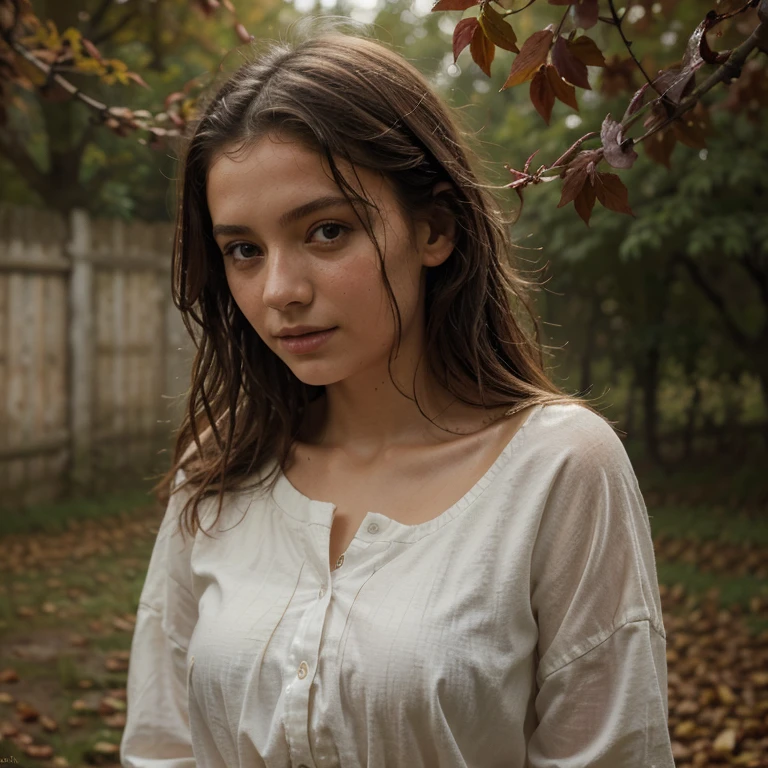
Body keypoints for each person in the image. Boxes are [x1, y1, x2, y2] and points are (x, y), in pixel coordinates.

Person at [120, 25, 675, 768]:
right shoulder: (219, 470)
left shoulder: (559, 471)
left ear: (434, 228)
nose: (279, 290)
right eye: (243, 250)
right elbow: (162, 746)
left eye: (325, 230)